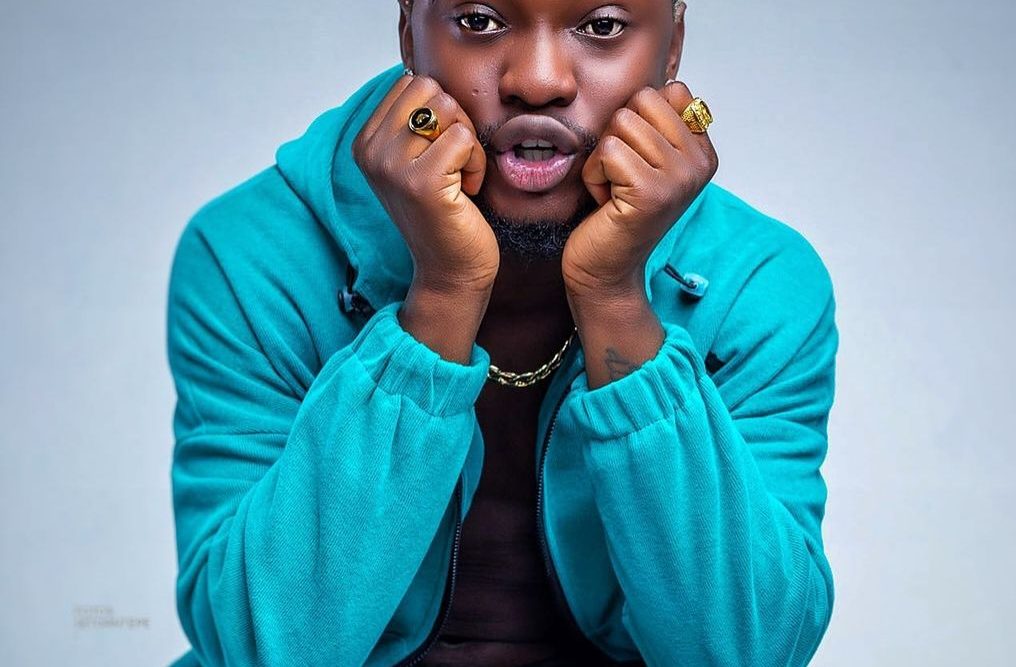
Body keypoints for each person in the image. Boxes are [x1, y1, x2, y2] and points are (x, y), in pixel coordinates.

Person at [164, 0, 840, 665]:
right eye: (479, 21)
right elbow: (261, 649)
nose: (538, 81)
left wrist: (615, 299)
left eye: (602, 26)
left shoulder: (758, 282)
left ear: (673, 45)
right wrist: (442, 294)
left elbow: (746, 653)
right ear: (409, 31)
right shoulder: (251, 254)